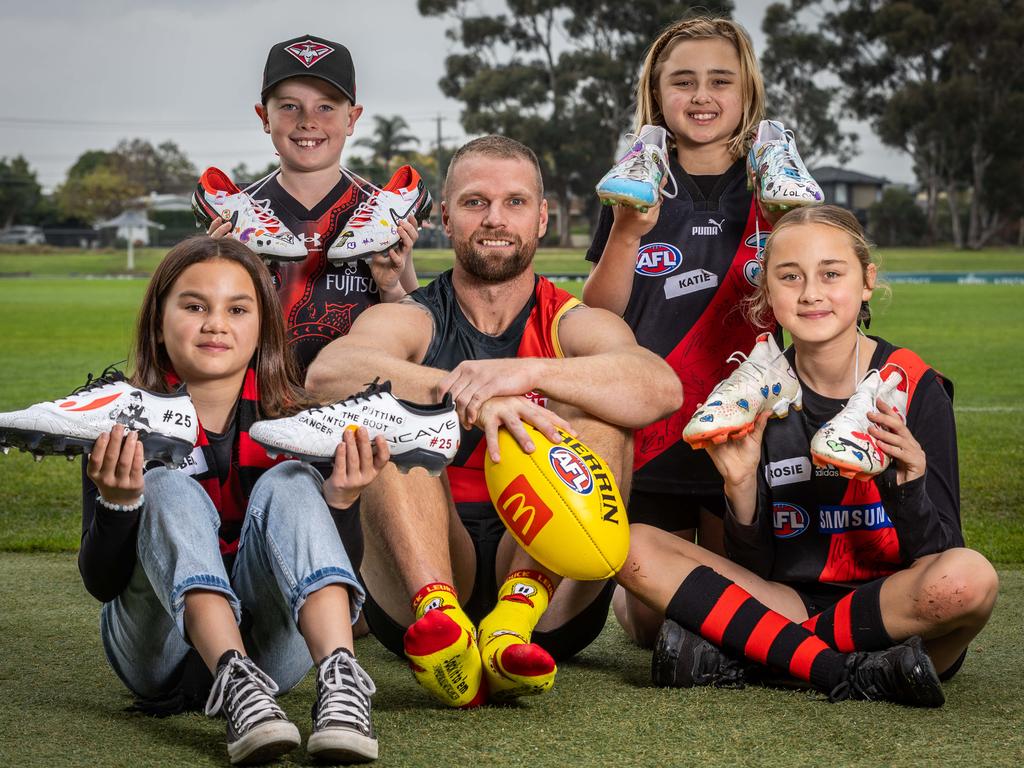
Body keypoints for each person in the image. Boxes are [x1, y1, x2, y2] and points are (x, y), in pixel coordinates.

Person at [304, 135, 682, 708]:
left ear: (541, 219)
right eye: (476, 202)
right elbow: (328, 373)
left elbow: (659, 387)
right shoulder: (411, 316)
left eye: (515, 203)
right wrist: (461, 391)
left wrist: (521, 373)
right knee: (386, 418)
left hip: (547, 584)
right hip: (423, 569)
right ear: (447, 220)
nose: (495, 219)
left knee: (602, 414)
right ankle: (443, 623)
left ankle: (511, 623)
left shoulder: (570, 320)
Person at [615, 205, 998, 707]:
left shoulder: (915, 387)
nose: (811, 293)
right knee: (631, 544)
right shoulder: (749, 394)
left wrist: (910, 483)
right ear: (767, 293)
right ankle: (845, 670)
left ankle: (758, 657)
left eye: (831, 274)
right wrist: (741, 489)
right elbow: (759, 567)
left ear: (866, 282)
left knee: (970, 579)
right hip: (787, 601)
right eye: (790, 277)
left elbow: (937, 555)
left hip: (895, 606)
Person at [78, 237, 386, 764]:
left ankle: (340, 683)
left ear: (263, 326)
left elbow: (336, 567)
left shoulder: (299, 423)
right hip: (157, 650)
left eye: (237, 309)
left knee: (291, 479)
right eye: (194, 306)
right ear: (158, 321)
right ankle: (234, 680)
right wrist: (119, 505)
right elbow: (102, 583)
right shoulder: (120, 418)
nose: (215, 323)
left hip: (271, 646)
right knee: (168, 484)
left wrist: (342, 500)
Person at [582, 16, 775, 647]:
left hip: (745, 434)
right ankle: (619, 598)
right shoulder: (632, 185)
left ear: (746, 92)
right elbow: (600, 313)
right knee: (650, 629)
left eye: (720, 80)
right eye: (683, 81)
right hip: (655, 431)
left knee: (731, 611)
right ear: (656, 94)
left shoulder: (776, 187)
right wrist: (627, 230)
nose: (701, 96)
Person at [204, 34, 420, 372]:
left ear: (351, 118)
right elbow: (204, 331)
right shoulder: (232, 214)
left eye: (326, 106)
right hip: (257, 403)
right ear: (264, 117)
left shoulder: (382, 213)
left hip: (354, 404)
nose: (308, 121)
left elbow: (417, 338)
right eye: (289, 106)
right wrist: (217, 274)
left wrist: (389, 286)